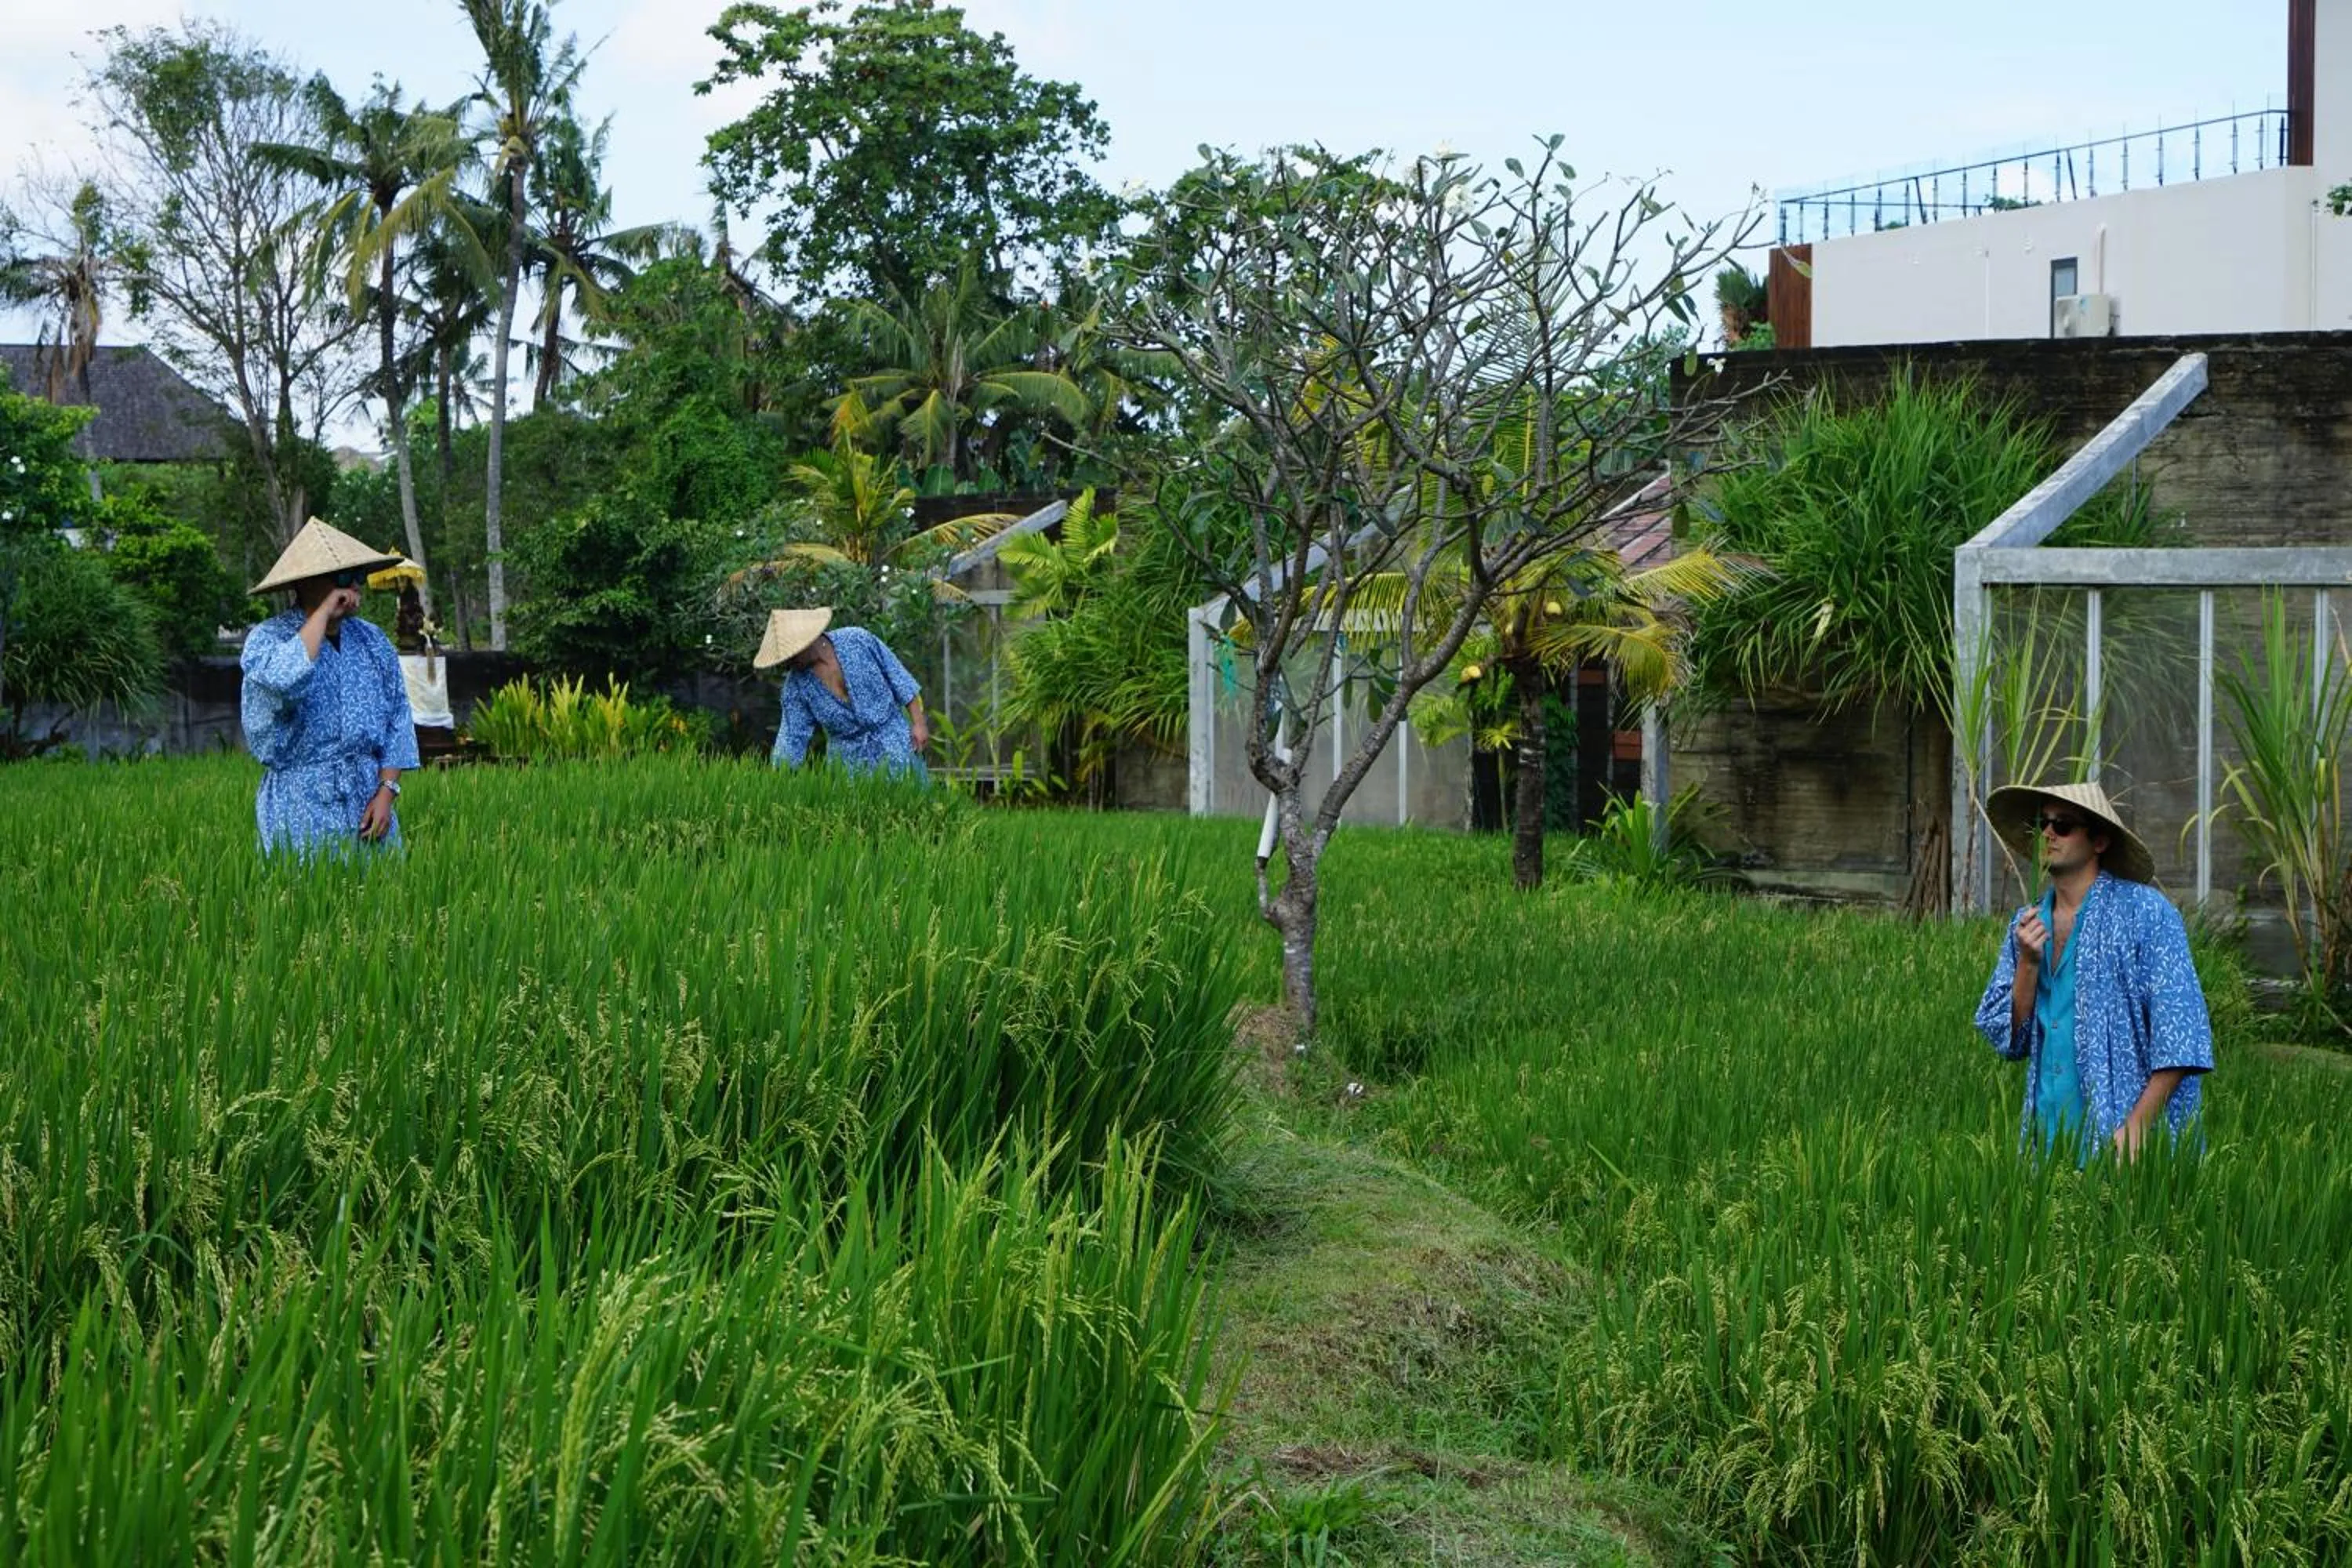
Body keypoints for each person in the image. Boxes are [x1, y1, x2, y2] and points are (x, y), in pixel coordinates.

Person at [1973, 782, 2214, 1161]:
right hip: (2045, 1144)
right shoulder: (2026, 925)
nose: (2048, 833)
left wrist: (2134, 1131)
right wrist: (2028, 965)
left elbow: (2181, 1035)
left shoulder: (2146, 914)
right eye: (2041, 823)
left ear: (2099, 841)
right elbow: (2010, 1041)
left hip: (2125, 1143)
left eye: (2063, 825)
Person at [239, 519, 419, 856]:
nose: (352, 587)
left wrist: (387, 792)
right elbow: (285, 681)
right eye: (341, 578)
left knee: (380, 902)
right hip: (300, 804)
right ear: (305, 582)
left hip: (368, 802)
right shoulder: (268, 640)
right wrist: (322, 613)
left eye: (357, 577)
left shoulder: (372, 641)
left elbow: (398, 717)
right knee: (310, 902)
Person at [756, 607, 930, 780]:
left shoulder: (857, 640)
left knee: (912, 803)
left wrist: (919, 724)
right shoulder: (796, 687)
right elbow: (791, 736)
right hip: (850, 768)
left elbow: (898, 677)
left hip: (895, 744)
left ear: (806, 641)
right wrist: (777, 780)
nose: (788, 664)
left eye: (791, 656)